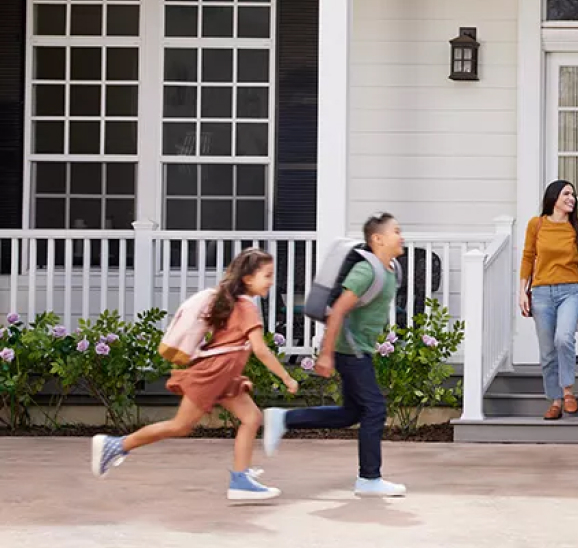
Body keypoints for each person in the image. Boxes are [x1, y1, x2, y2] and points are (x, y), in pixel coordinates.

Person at [89, 248, 298, 500]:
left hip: (223, 375)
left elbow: (231, 344)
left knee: (251, 418)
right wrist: (286, 377)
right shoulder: (246, 307)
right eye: (267, 275)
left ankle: (240, 480)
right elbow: (260, 350)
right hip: (213, 374)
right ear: (248, 278)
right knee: (180, 426)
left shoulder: (235, 304)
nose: (271, 281)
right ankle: (117, 445)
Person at [262, 213, 408, 497]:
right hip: (349, 349)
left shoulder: (391, 268)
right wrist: (325, 354)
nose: (401, 236)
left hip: (358, 348)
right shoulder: (366, 271)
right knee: (375, 409)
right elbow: (339, 310)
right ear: (377, 239)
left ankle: (283, 419)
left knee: (350, 413)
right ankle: (369, 479)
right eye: (396, 231)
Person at [520, 180, 578, 420]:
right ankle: (555, 400)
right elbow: (528, 258)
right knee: (547, 350)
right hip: (541, 292)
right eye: (566, 194)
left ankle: (568, 390)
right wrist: (522, 291)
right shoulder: (537, 224)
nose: (572, 198)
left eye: (573, 194)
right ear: (553, 198)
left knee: (564, 338)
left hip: (571, 291)